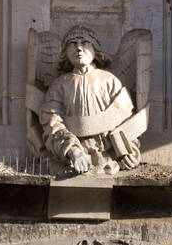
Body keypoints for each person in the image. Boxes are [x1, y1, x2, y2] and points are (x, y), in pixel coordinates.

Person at [40, 26, 139, 176]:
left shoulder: (110, 81)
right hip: (70, 160)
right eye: (72, 43)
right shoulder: (58, 86)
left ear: (95, 49)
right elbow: (52, 124)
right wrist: (72, 150)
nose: (79, 48)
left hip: (107, 159)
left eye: (85, 42)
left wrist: (126, 151)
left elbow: (127, 120)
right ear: (65, 53)